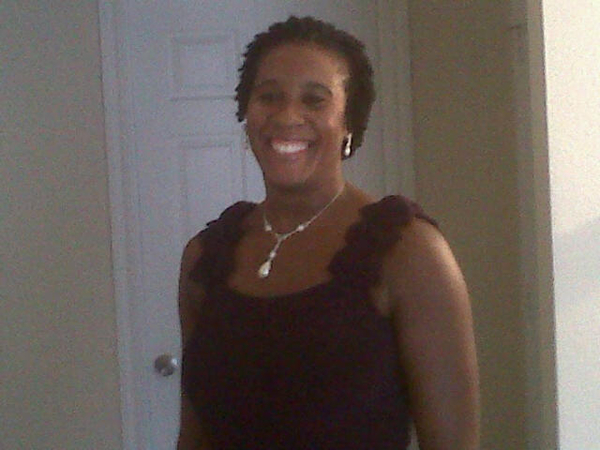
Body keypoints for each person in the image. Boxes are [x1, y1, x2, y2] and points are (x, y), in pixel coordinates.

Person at [177, 16, 479, 450]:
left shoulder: (407, 251)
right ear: (247, 113)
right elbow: (194, 436)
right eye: (269, 96)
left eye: (315, 100)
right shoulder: (207, 258)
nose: (287, 116)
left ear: (349, 122)